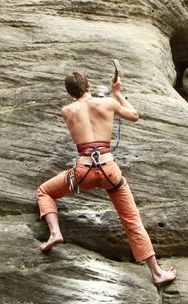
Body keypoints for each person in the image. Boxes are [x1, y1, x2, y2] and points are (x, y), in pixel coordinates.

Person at [36, 70, 177, 286]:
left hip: (83, 171)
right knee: (132, 220)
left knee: (44, 191)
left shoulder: (67, 110)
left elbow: (81, 118)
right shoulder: (108, 103)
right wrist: (118, 93)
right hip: (109, 169)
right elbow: (134, 115)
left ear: (70, 93)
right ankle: (157, 273)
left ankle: (55, 232)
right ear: (89, 84)